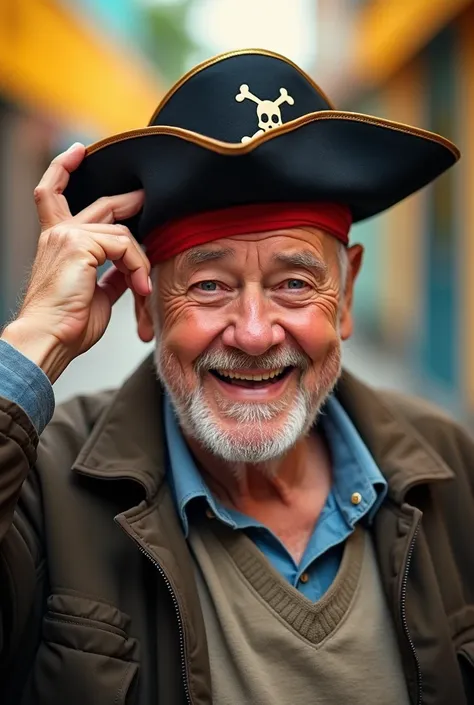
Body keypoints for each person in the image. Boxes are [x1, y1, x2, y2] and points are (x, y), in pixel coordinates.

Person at [0, 49, 472, 705]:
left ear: (349, 295)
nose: (253, 332)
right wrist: (35, 340)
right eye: (210, 284)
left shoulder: (451, 466)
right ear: (143, 303)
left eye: (294, 284)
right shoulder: (44, 486)